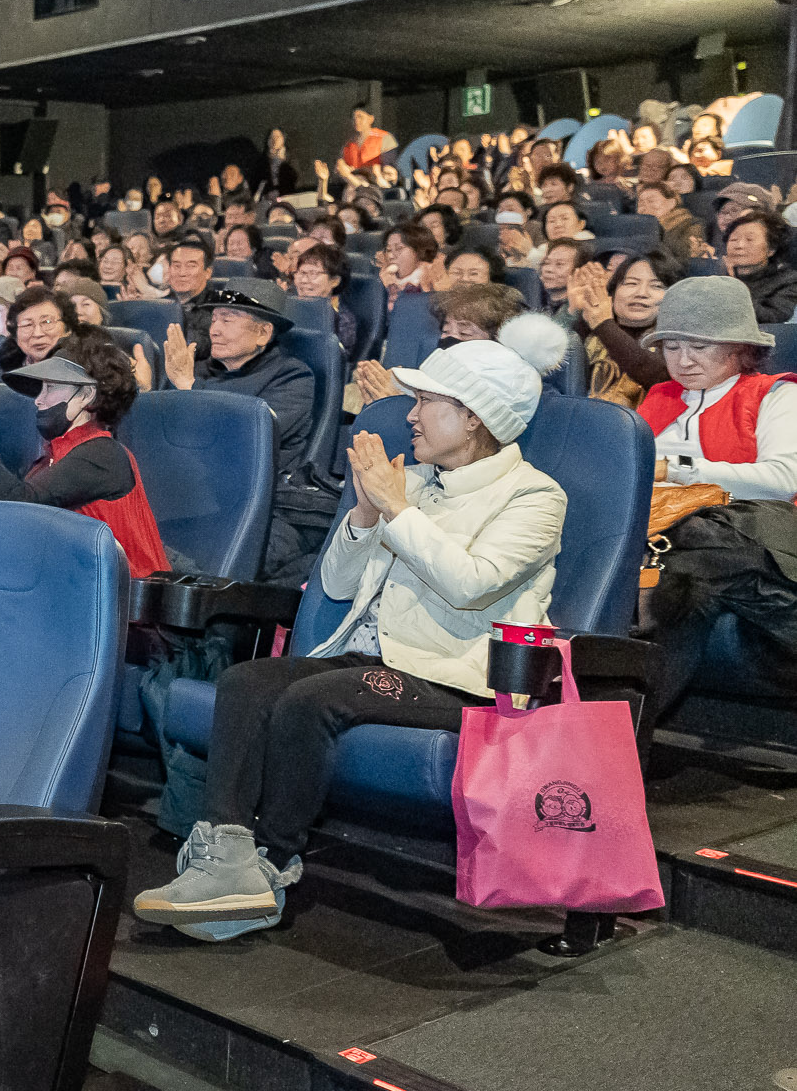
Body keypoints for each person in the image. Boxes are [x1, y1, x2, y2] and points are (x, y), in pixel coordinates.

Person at [134, 339, 564, 939]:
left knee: (313, 699)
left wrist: (396, 510)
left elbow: (472, 585)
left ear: (474, 417)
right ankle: (224, 853)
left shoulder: (535, 496)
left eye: (426, 402)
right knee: (248, 679)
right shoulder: (408, 481)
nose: (410, 414)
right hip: (369, 661)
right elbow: (335, 584)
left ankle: (271, 863)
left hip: (454, 677)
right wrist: (364, 516)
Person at [634, 279, 797, 725]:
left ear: (741, 348)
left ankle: (613, 748)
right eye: (671, 346)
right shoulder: (658, 399)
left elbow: (782, 481)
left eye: (700, 346)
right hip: (675, 551)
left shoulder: (776, 395)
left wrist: (687, 471)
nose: (683, 360)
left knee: (689, 555)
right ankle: (625, 744)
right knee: (687, 587)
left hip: (767, 541)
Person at [0, 333, 167, 577]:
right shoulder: (50, 459)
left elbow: (21, 506)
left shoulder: (103, 453)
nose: (38, 400)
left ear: (86, 395)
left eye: (50, 388)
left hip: (121, 607)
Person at [163, 282, 326, 578]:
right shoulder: (197, 370)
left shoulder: (292, 377)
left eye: (228, 320)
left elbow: (246, 439)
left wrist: (187, 388)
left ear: (263, 333)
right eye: (214, 319)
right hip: (185, 496)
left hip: (252, 504)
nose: (215, 330)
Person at [569, 250, 680, 408]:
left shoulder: (676, 342)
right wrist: (576, 312)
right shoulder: (592, 333)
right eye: (631, 283)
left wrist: (603, 324)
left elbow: (659, 375)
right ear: (612, 293)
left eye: (657, 286)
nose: (641, 293)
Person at [723, 212, 797, 324]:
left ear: (771, 249)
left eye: (750, 239)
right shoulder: (713, 274)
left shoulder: (787, 280)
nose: (739, 245)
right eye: (734, 239)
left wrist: (735, 286)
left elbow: (773, 318)